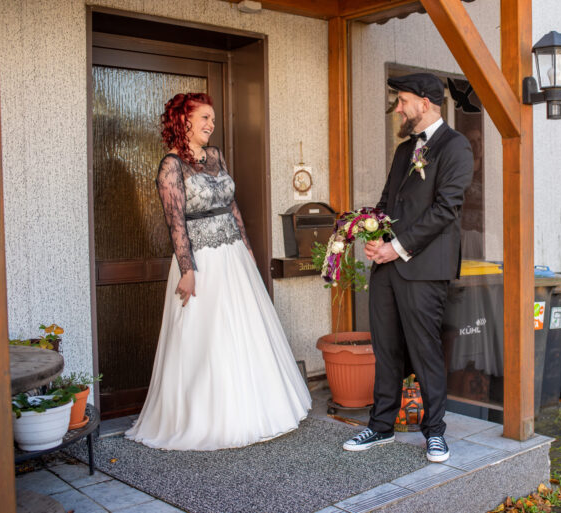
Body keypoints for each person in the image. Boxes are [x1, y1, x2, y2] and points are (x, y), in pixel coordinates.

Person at [125, 92, 311, 450]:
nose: (212, 125)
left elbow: (233, 206)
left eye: (212, 118)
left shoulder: (216, 156)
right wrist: (187, 269)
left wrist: (248, 250)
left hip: (233, 256)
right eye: (205, 118)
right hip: (201, 261)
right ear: (185, 122)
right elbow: (174, 221)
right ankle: (209, 417)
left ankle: (258, 408)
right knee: (206, 336)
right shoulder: (171, 166)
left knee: (244, 330)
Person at [342, 74, 473, 462]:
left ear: (427, 102)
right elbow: (387, 202)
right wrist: (371, 231)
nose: (398, 108)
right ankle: (381, 427)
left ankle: (434, 432)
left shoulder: (456, 147)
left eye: (402, 101)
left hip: (424, 268)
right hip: (386, 270)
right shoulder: (404, 151)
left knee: (425, 351)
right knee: (386, 350)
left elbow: (445, 209)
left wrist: (395, 248)